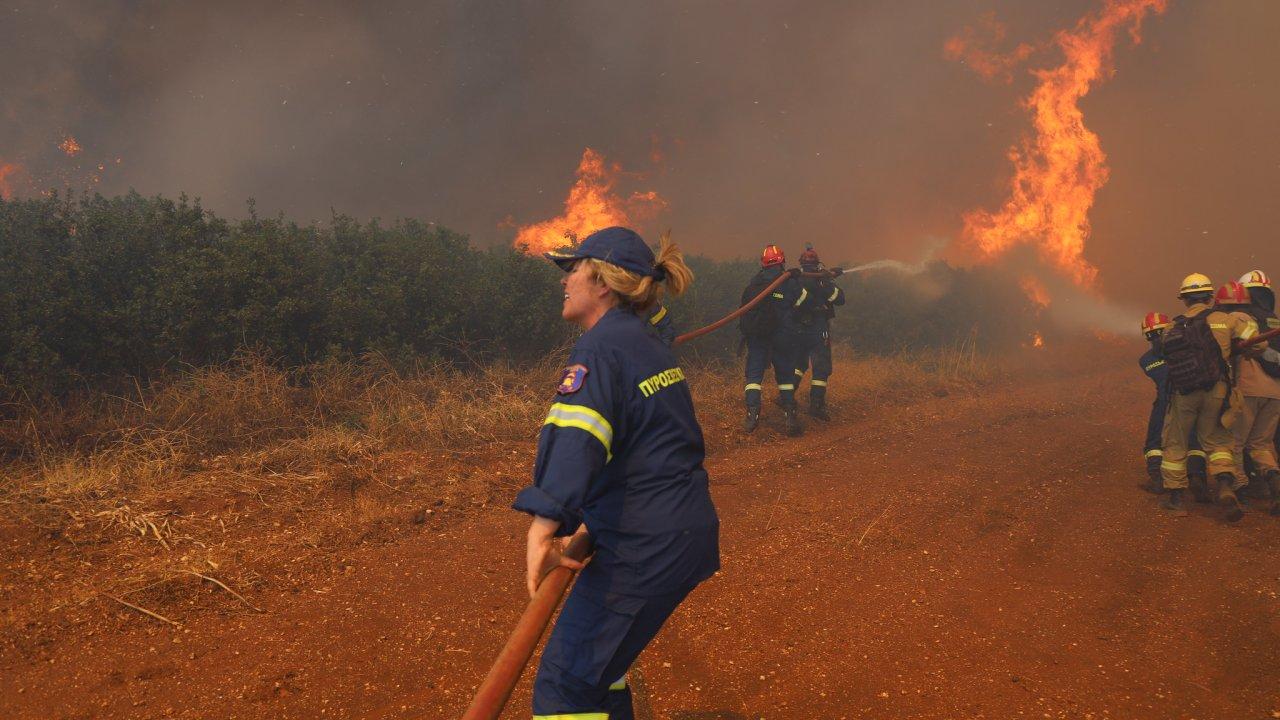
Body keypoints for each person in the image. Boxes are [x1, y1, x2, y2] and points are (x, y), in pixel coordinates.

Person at [512, 226, 720, 719]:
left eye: (574, 269)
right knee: (600, 672)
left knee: (565, 688)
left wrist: (545, 523)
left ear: (603, 282)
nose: (565, 281)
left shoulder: (601, 349)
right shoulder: (644, 341)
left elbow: (577, 436)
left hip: (644, 544)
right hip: (674, 530)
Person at [1158, 275, 1258, 520]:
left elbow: (1165, 355)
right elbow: (1257, 343)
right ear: (1210, 296)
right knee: (1218, 441)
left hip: (1184, 393)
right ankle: (1225, 486)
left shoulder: (1173, 326)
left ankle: (1176, 499)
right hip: (1217, 391)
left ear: (1184, 300)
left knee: (1175, 442)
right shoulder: (1227, 319)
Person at [738, 245, 809, 436]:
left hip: (758, 337)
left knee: (753, 377)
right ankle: (790, 417)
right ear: (782, 260)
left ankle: (752, 416)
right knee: (785, 377)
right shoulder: (788, 281)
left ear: (763, 263)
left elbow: (746, 306)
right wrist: (792, 308)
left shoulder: (756, 281)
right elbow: (803, 298)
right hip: (783, 336)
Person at [1138, 312, 1207, 494]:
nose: (1155, 339)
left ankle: (1158, 478)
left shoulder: (1146, 360)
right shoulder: (1186, 349)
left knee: (1155, 438)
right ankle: (1197, 477)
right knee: (1193, 437)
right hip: (1187, 398)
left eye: (1155, 335)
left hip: (1164, 403)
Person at [1233, 270, 1280, 512]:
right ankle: (1275, 486)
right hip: (1275, 391)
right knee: (1262, 444)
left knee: (1235, 442)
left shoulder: (1243, 317)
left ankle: (1239, 492)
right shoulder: (1274, 319)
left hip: (1249, 386)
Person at [794, 244, 845, 421]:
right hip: (818, 328)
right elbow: (839, 299)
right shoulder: (818, 280)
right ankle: (816, 405)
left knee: (798, 364)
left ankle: (786, 398)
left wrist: (828, 278)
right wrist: (826, 281)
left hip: (798, 329)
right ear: (817, 263)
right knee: (821, 367)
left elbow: (839, 299)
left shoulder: (794, 279)